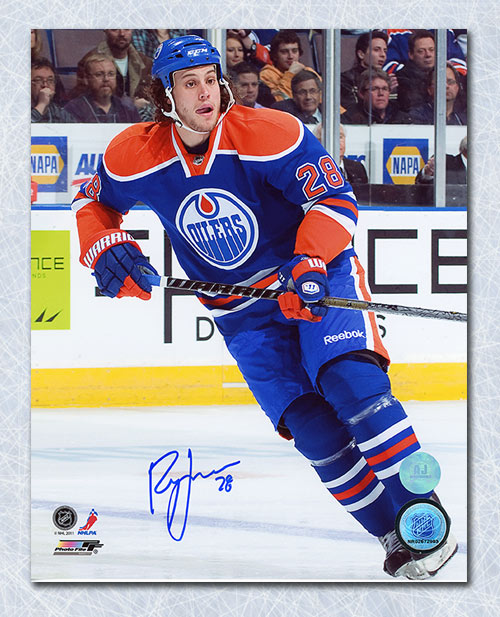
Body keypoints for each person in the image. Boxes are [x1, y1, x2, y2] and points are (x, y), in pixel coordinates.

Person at [72, 35, 457, 580]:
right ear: (165, 95)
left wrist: (310, 260)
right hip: (241, 311)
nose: (205, 93)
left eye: (211, 79)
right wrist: (105, 244)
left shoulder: (270, 133)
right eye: (189, 83)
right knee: (312, 428)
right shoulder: (134, 153)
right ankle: (389, 533)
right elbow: (92, 200)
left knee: (352, 384)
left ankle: (424, 516)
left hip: (313, 277)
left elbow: (335, 199)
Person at [74, 29, 153, 120]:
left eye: (126, 29)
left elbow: (152, 97)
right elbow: (84, 100)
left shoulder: (146, 62)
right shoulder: (89, 61)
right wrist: (130, 105)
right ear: (105, 30)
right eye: (115, 29)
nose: (122, 34)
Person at [64, 52, 141, 123]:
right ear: (87, 79)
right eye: (99, 74)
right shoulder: (73, 109)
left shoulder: (128, 109)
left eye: (111, 74)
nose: (106, 79)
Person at [341, 30, 397, 110]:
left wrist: (388, 91)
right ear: (361, 54)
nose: (383, 55)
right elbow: (351, 111)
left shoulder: (389, 81)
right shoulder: (346, 80)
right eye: (376, 50)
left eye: (385, 51)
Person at [259, 30, 321, 102]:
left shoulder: (309, 72)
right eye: (284, 52)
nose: (290, 56)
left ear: (299, 54)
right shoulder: (266, 75)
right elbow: (277, 102)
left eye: (294, 51)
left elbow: (325, 99)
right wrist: (290, 75)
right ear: (274, 55)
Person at [341, 69, 412, 125]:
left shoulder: (402, 118)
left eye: (385, 89)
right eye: (374, 89)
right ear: (361, 94)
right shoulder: (349, 119)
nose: (381, 93)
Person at [272, 69, 322, 139]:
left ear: (319, 93)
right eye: (302, 92)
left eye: (312, 91)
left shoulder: (330, 112)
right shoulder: (285, 114)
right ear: (294, 96)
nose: (308, 97)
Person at [396, 30, 436, 112]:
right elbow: (413, 108)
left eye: (431, 50)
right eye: (421, 51)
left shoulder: (444, 73)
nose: (428, 55)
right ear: (411, 54)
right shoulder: (402, 78)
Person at [31, 58, 76, 123]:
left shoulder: (59, 112)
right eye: (38, 80)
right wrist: (42, 105)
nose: (45, 85)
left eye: (50, 80)